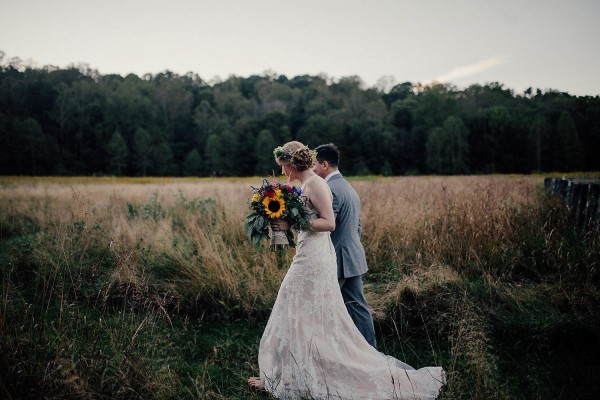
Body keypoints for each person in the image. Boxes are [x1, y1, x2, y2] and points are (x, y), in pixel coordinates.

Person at [248, 141, 445, 399]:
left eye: (283, 166)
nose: (282, 171)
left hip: (316, 258)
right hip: (307, 253)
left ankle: (304, 373)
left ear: (292, 163)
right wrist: (283, 224)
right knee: (298, 309)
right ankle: (288, 372)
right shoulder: (304, 185)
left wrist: (296, 220)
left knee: (297, 305)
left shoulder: (316, 184)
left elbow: (329, 223)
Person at [312, 143, 376, 348]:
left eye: (314, 165)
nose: (312, 169)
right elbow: (357, 227)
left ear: (324, 164)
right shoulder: (348, 187)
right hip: (353, 256)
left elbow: (327, 225)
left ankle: (323, 354)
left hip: (337, 259)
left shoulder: (330, 190)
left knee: (321, 308)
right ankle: (370, 351)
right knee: (358, 307)